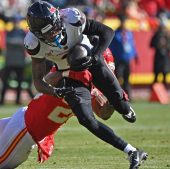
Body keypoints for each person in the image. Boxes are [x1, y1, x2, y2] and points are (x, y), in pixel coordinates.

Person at [0, 77, 146, 168]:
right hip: (27, 130)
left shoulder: (68, 72)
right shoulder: (84, 90)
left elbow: (46, 80)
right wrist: (117, 100)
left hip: (25, 115)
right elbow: (101, 116)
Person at [24, 2, 147, 168]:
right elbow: (38, 81)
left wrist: (96, 56)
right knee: (86, 119)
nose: (56, 29)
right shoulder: (34, 43)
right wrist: (56, 91)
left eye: (56, 24)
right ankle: (132, 152)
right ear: (39, 34)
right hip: (69, 75)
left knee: (121, 105)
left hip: (90, 60)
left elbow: (107, 32)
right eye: (50, 30)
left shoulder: (72, 18)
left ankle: (123, 106)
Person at [0, 15, 27, 105]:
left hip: (20, 62)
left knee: (20, 82)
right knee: (5, 82)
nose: (16, 23)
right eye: (14, 22)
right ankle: (1, 101)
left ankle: (18, 100)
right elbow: (6, 42)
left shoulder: (23, 33)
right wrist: (18, 43)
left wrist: (15, 43)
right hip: (10, 61)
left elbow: (25, 44)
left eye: (17, 22)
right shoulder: (9, 32)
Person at [109, 15, 138, 100]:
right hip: (118, 59)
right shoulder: (116, 33)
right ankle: (118, 95)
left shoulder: (129, 33)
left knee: (127, 78)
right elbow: (112, 47)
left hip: (127, 59)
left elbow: (132, 45)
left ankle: (128, 95)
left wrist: (135, 55)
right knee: (118, 78)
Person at [150, 18, 170, 87]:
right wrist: (158, 45)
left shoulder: (169, 35)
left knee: (165, 76)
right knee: (156, 76)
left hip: (165, 58)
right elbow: (151, 44)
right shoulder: (157, 34)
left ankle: (165, 93)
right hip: (158, 57)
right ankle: (154, 91)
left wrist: (166, 46)